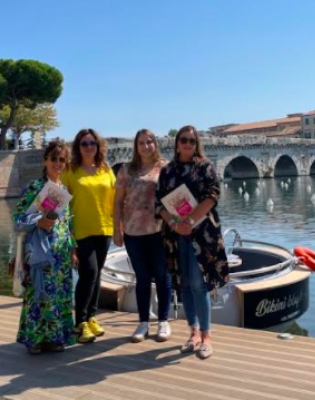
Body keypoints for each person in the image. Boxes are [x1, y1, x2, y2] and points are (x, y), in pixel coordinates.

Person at [155, 125, 229, 360]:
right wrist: (176, 224)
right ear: (176, 143)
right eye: (184, 140)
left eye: (192, 141)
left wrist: (191, 219)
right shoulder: (167, 171)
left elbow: (213, 194)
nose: (188, 144)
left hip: (202, 234)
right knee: (184, 284)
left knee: (199, 284)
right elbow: (159, 203)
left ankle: (207, 336)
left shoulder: (204, 166)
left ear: (197, 144)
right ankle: (193, 332)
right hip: (177, 235)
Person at [13, 140, 76, 354]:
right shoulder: (35, 187)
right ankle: (36, 340)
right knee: (40, 294)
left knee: (58, 295)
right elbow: (18, 218)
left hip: (61, 254)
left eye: (61, 159)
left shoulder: (63, 190)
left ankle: (55, 338)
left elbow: (67, 223)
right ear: (45, 160)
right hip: (41, 251)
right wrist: (38, 222)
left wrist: (72, 249)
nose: (57, 163)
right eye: (53, 159)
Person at [113, 129, 172, 342]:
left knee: (162, 275)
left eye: (149, 142)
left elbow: (174, 197)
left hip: (159, 230)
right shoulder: (126, 170)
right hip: (133, 231)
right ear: (136, 146)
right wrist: (116, 228)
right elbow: (118, 201)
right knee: (142, 277)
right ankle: (143, 323)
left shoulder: (164, 168)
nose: (146, 146)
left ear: (155, 144)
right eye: (141, 143)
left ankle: (163, 322)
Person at [62, 128, 116, 343]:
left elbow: (116, 197)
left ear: (98, 145)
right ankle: (80, 322)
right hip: (81, 231)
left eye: (92, 143)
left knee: (97, 274)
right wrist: (67, 237)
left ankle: (92, 317)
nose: (88, 147)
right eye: (84, 143)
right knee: (88, 273)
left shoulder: (105, 169)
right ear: (78, 147)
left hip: (104, 228)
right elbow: (61, 204)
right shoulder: (70, 171)